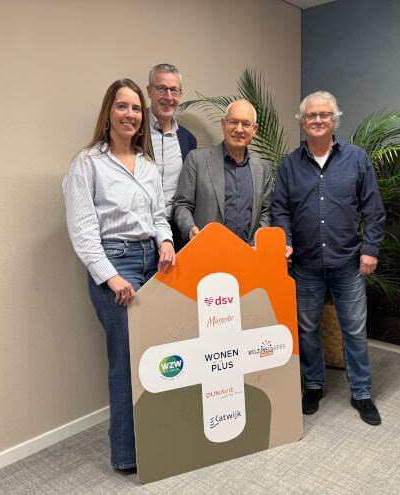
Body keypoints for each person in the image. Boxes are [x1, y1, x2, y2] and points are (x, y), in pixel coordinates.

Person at [62, 79, 175, 471]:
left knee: (156, 355)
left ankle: (158, 440)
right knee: (127, 361)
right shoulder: (88, 163)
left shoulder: (148, 165)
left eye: (136, 108)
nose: (130, 114)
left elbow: (159, 217)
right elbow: (82, 231)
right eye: (122, 106)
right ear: (108, 112)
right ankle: (128, 456)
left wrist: (165, 241)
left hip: (152, 263)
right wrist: (110, 277)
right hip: (116, 265)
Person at [272, 91, 385, 425]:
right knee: (307, 329)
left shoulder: (357, 159)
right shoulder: (289, 165)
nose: (318, 120)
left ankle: (361, 392)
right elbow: (280, 211)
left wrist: (370, 250)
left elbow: (373, 210)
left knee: (354, 330)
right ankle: (313, 385)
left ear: (334, 120)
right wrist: (285, 242)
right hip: (305, 264)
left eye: (324, 115)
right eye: (311, 116)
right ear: (302, 122)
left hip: (348, 262)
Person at [173, 99, 272, 245]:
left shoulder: (263, 169)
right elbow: (182, 205)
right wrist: (189, 229)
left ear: (254, 129)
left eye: (246, 124)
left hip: (249, 254)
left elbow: (265, 212)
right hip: (208, 251)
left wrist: (257, 243)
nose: (239, 129)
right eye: (233, 122)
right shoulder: (197, 160)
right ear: (223, 124)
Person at [147, 64, 197, 250]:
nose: (168, 97)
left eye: (174, 90)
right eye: (162, 89)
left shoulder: (188, 140)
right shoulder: (133, 132)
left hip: (176, 234)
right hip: (142, 233)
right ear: (149, 91)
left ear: (180, 94)